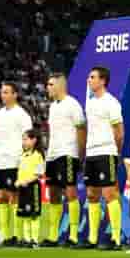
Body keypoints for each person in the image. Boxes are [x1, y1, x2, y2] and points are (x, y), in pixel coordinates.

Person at [81, 66, 124, 250]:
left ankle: (116, 238)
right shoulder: (90, 103)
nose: (89, 80)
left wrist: (116, 152)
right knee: (91, 194)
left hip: (106, 152)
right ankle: (92, 239)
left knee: (110, 194)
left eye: (92, 77)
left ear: (103, 81)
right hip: (91, 153)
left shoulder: (111, 103)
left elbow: (119, 132)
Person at [45, 72, 86, 247]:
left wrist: (80, 155)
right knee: (53, 194)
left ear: (60, 86)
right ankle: (53, 236)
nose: (48, 87)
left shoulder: (73, 105)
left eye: (51, 84)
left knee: (70, 193)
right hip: (53, 154)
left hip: (68, 153)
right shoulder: (52, 106)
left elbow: (81, 130)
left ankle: (74, 235)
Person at [0, 82, 34, 245]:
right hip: (0, 161)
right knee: (2, 196)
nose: (3, 95)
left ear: (15, 94)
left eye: (6, 92)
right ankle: (4, 235)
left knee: (14, 196)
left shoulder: (22, 115)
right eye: (2, 92)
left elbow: (28, 139)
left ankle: (17, 236)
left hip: (14, 160)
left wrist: (25, 160)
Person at [15, 129, 46, 248]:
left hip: (32, 188)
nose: (23, 142)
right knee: (24, 215)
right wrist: (18, 181)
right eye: (23, 139)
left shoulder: (38, 155)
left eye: (26, 139)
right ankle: (26, 239)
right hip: (22, 188)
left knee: (34, 214)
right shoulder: (23, 155)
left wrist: (25, 181)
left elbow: (38, 174)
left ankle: (34, 239)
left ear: (34, 140)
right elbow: (20, 171)